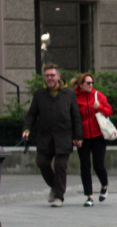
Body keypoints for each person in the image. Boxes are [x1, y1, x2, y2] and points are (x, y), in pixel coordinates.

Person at [22, 63, 83, 207]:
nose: (49, 78)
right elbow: (31, 115)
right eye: (47, 75)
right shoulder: (39, 93)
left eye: (52, 75)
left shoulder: (68, 93)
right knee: (42, 162)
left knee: (61, 166)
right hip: (45, 137)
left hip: (64, 137)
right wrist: (26, 129)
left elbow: (76, 117)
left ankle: (59, 197)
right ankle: (55, 187)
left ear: (58, 77)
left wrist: (78, 137)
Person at [72, 73, 113, 207]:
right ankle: (89, 196)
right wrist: (75, 136)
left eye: (92, 83)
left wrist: (99, 107)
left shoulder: (98, 95)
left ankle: (104, 185)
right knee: (85, 166)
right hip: (82, 138)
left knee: (98, 165)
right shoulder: (75, 98)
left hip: (98, 136)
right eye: (88, 83)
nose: (91, 85)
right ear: (80, 84)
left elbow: (109, 111)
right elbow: (72, 118)